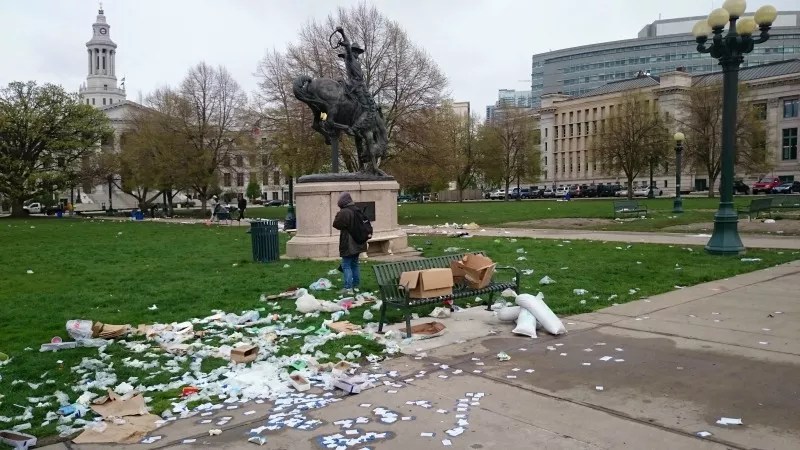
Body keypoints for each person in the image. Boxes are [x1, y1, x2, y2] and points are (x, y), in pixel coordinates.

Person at [332, 192, 368, 295]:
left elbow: (336, 224)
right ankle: (356, 285)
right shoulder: (356, 209)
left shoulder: (345, 212)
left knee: (346, 265)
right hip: (359, 242)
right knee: (354, 264)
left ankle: (348, 287)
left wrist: (338, 215)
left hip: (349, 242)